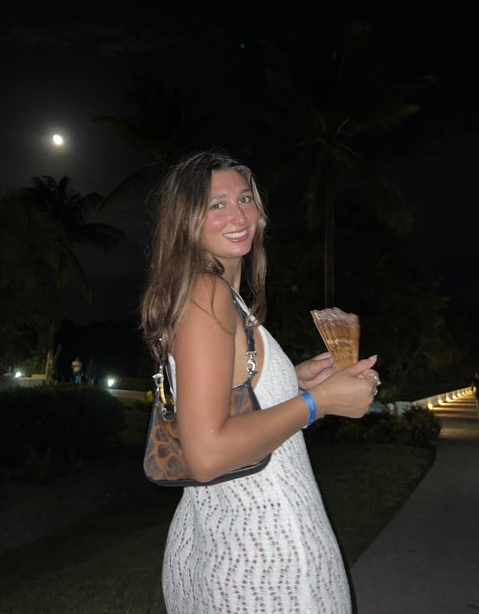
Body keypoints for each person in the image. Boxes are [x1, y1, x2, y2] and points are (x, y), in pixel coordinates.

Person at [140, 150, 380, 614]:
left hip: (217, 540)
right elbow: (208, 454)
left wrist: (290, 383)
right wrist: (318, 403)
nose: (239, 215)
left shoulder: (215, 296)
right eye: (217, 204)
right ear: (186, 221)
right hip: (266, 556)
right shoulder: (208, 295)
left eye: (245, 199)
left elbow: (225, 401)